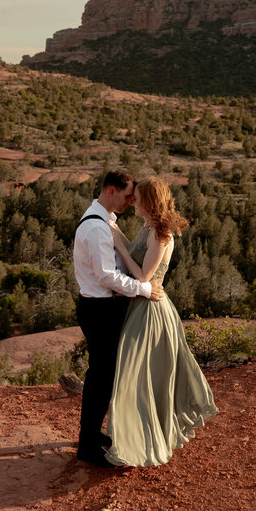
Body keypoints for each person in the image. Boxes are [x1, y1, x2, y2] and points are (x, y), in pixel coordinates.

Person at [104, 177, 217, 467]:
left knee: (134, 378)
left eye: (138, 198)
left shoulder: (161, 232)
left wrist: (118, 243)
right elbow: (137, 258)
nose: (133, 202)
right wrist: (121, 240)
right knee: (139, 378)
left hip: (149, 311)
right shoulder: (149, 228)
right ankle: (134, 438)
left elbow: (143, 276)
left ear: (150, 201)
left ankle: (139, 443)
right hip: (141, 306)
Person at [72, 169, 161, 468]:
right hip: (100, 309)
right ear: (111, 190)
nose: (128, 202)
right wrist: (144, 289)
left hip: (101, 308)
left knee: (103, 376)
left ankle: (91, 436)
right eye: (125, 196)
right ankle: (87, 447)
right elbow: (106, 276)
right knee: (101, 378)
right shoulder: (98, 227)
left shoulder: (104, 221)